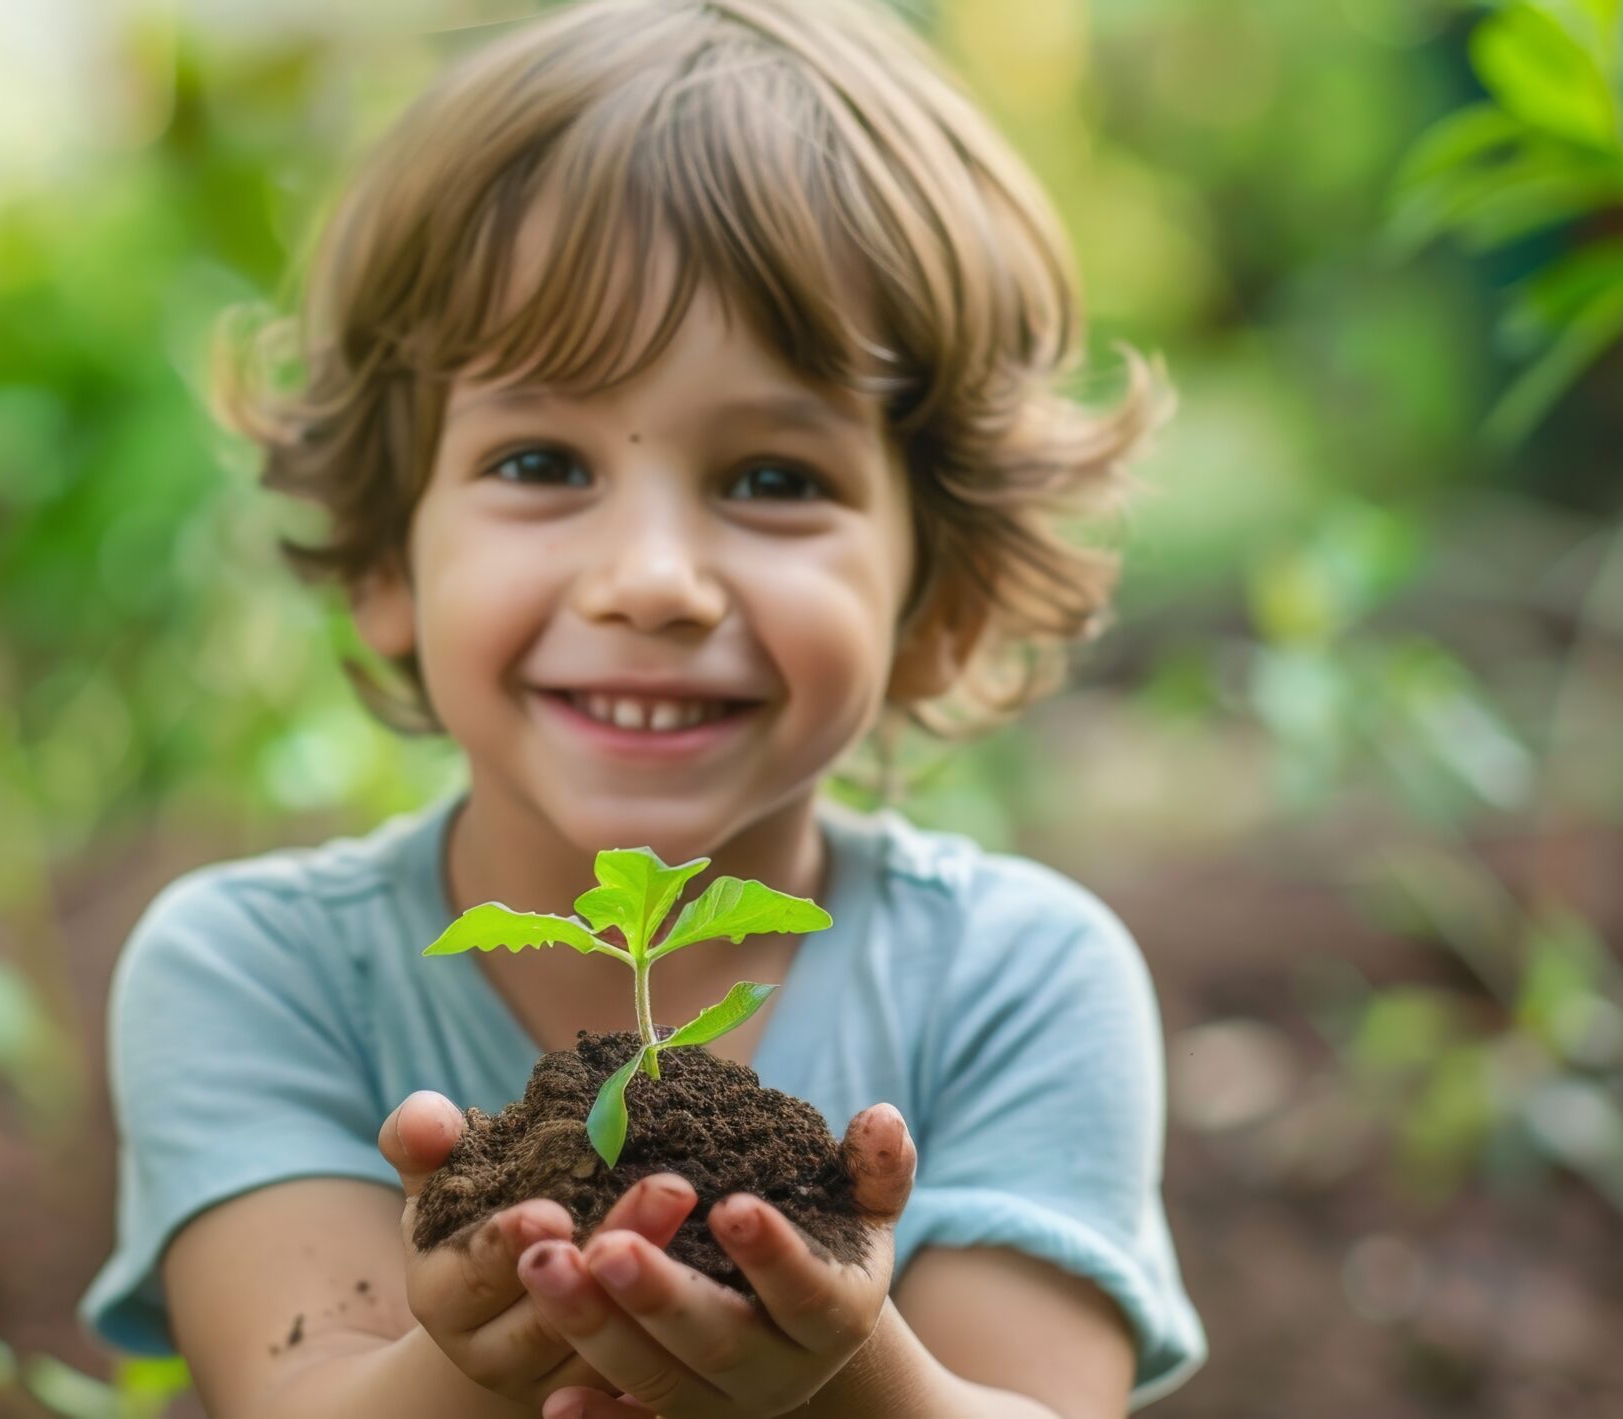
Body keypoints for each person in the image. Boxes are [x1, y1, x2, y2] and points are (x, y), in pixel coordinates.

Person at [79, 0, 1206, 1413]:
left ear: (941, 597)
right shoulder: (256, 976)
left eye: (774, 480)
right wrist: (473, 1350)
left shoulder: (1019, 985)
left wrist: (849, 1372)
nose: (653, 580)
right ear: (385, 558)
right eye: (543, 460)